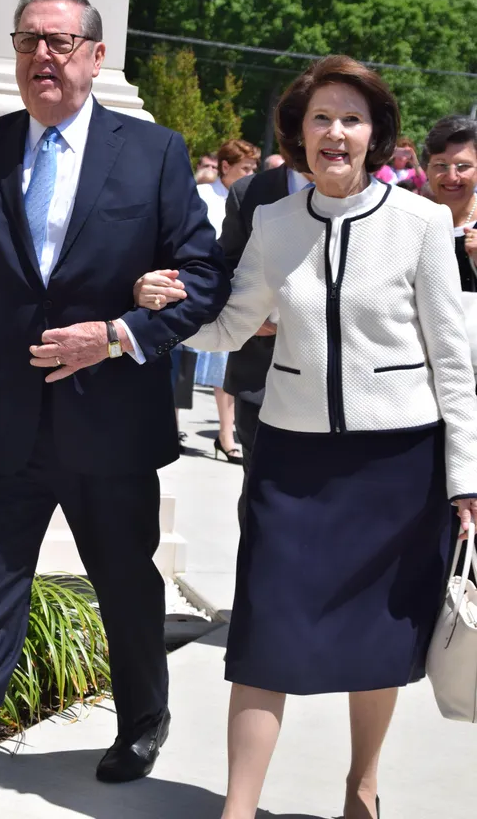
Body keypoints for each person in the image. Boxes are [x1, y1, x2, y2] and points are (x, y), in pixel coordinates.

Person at [0, 0, 230, 819]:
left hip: (110, 423)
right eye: (27, 41)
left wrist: (119, 331)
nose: (42, 56)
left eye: (60, 42)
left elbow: (202, 279)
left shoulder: (153, 152)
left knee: (125, 587)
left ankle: (143, 722)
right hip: (0, 420)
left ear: (94, 56)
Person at [149, 56, 477, 819]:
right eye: (321, 118)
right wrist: (167, 306)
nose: (337, 132)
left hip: (397, 466)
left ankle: (362, 786)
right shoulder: (272, 221)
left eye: (353, 119)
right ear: (297, 134)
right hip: (290, 462)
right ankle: (238, 807)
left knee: (380, 638)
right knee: (262, 629)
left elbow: (455, 365)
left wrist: (465, 480)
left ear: (375, 135)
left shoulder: (422, 223)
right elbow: (232, 326)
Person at [135, 157, 311, 522]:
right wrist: (247, 308)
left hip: (343, 388)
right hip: (260, 371)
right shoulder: (253, 193)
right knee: (264, 506)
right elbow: (224, 266)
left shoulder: (384, 201)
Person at [194, 139, 261, 462]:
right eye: (245, 168)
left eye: (253, 168)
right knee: (184, 372)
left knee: (225, 372)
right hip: (209, 287)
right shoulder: (203, 196)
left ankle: (225, 434)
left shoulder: (256, 199)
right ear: (225, 166)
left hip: (238, 291)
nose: (251, 173)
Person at [421, 115, 477, 291]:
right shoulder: (410, 221)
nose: (452, 177)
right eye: (440, 165)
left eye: (463, 166)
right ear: (426, 170)